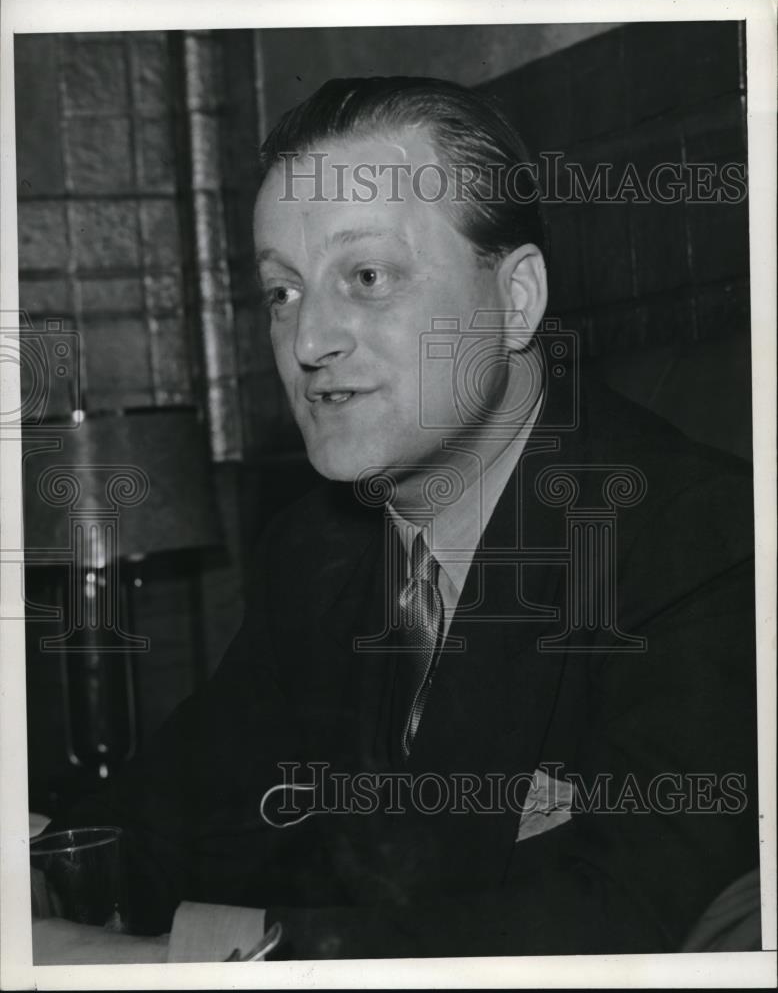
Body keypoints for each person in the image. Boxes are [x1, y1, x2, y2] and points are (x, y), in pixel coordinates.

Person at [46, 76, 759, 960]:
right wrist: (39, 882)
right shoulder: (318, 551)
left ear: (517, 301)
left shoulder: (706, 546)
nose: (308, 343)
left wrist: (169, 962)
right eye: (283, 292)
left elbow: (621, 928)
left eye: (369, 276)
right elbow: (173, 810)